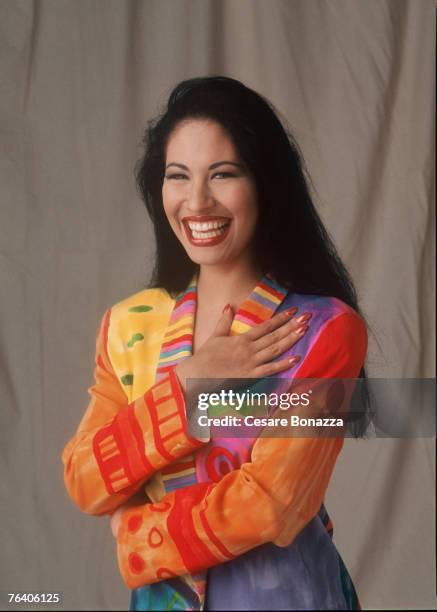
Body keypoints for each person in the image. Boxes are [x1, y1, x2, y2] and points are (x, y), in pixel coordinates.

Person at [61, 76, 368, 611]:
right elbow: (85, 479)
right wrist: (191, 386)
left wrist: (136, 535)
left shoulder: (325, 329)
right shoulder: (129, 325)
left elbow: (273, 504)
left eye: (223, 174)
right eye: (177, 177)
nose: (197, 201)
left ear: (265, 184)